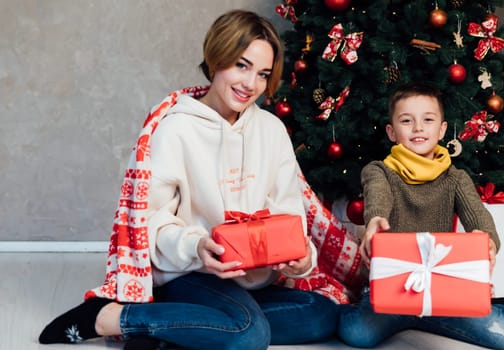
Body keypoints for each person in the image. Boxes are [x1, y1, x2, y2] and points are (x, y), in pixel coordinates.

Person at [38, 10, 339, 350]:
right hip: (190, 274)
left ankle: (174, 332)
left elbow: (289, 214)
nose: (250, 84)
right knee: (250, 335)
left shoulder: (270, 130)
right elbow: (149, 225)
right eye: (241, 65)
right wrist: (197, 247)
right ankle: (111, 318)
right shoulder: (175, 129)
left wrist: (301, 259)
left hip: (249, 282)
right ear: (216, 59)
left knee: (322, 314)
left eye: (263, 74)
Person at [337, 82, 504, 349]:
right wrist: (376, 219)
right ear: (391, 132)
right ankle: (407, 313)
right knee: (357, 333)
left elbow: (479, 217)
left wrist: (488, 241)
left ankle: (424, 313)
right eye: (406, 120)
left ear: (442, 129)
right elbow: (377, 195)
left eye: (427, 119)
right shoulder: (379, 171)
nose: (418, 128)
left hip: (441, 290)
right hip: (393, 290)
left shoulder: (456, 178)